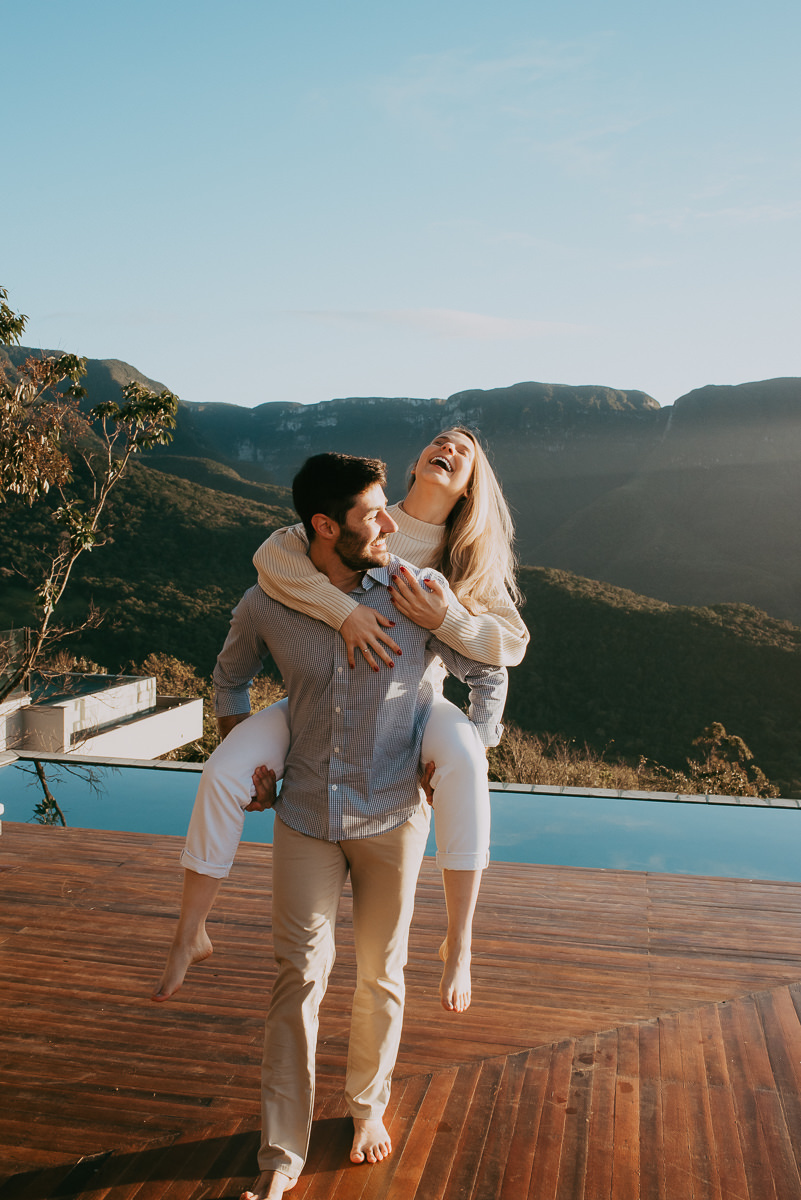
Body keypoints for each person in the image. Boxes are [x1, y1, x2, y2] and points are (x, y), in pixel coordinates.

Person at [158, 453, 507, 1199]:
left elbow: (488, 669)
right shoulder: (269, 601)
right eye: (372, 515)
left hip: (394, 816)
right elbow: (229, 678)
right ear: (323, 526)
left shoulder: (415, 592)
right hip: (307, 815)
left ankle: (366, 1106)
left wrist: (465, 750)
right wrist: (247, 755)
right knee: (298, 980)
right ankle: (281, 1155)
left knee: (381, 977)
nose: (389, 526)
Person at [157, 427, 528, 1014]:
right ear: (415, 463)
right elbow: (271, 559)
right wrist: (344, 612)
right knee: (223, 771)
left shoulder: (463, 561)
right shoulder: (361, 507)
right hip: (317, 697)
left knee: (466, 763)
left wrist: (447, 620)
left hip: (416, 700)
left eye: (465, 453)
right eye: (442, 440)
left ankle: (459, 942)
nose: (450, 449)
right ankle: (190, 931)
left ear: (469, 488)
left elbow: (509, 649)